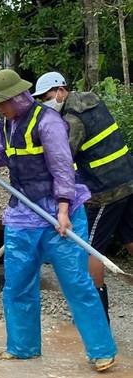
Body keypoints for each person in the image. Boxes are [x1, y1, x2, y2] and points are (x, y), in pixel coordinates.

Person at [0, 69, 117, 372]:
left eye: (0, 103)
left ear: (15, 97)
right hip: (23, 215)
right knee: (18, 284)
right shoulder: (6, 123)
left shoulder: (48, 122)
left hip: (57, 213)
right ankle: (23, 347)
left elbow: (63, 167)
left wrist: (63, 210)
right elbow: (5, 151)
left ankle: (102, 351)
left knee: (76, 283)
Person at [33, 71, 133, 324]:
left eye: (47, 97)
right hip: (127, 180)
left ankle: (98, 316)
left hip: (104, 192)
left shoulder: (72, 120)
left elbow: (62, 158)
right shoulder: (92, 101)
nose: (46, 102)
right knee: (130, 237)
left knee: (90, 249)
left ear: (61, 91)